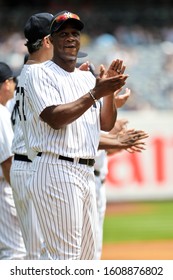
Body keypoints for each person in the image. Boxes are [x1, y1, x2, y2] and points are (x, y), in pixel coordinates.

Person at [17, 10, 130, 260]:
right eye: (63, 34)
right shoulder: (37, 73)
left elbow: (106, 124)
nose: (70, 38)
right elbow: (55, 118)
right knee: (66, 261)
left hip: (85, 172)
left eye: (75, 33)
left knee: (88, 260)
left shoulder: (83, 78)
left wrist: (108, 90)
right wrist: (95, 94)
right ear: (51, 40)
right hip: (56, 167)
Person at [0, 62, 26, 259]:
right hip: (4, 188)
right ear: (5, 84)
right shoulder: (0, 113)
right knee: (14, 252)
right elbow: (7, 161)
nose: (14, 85)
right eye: (11, 81)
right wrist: (20, 197)